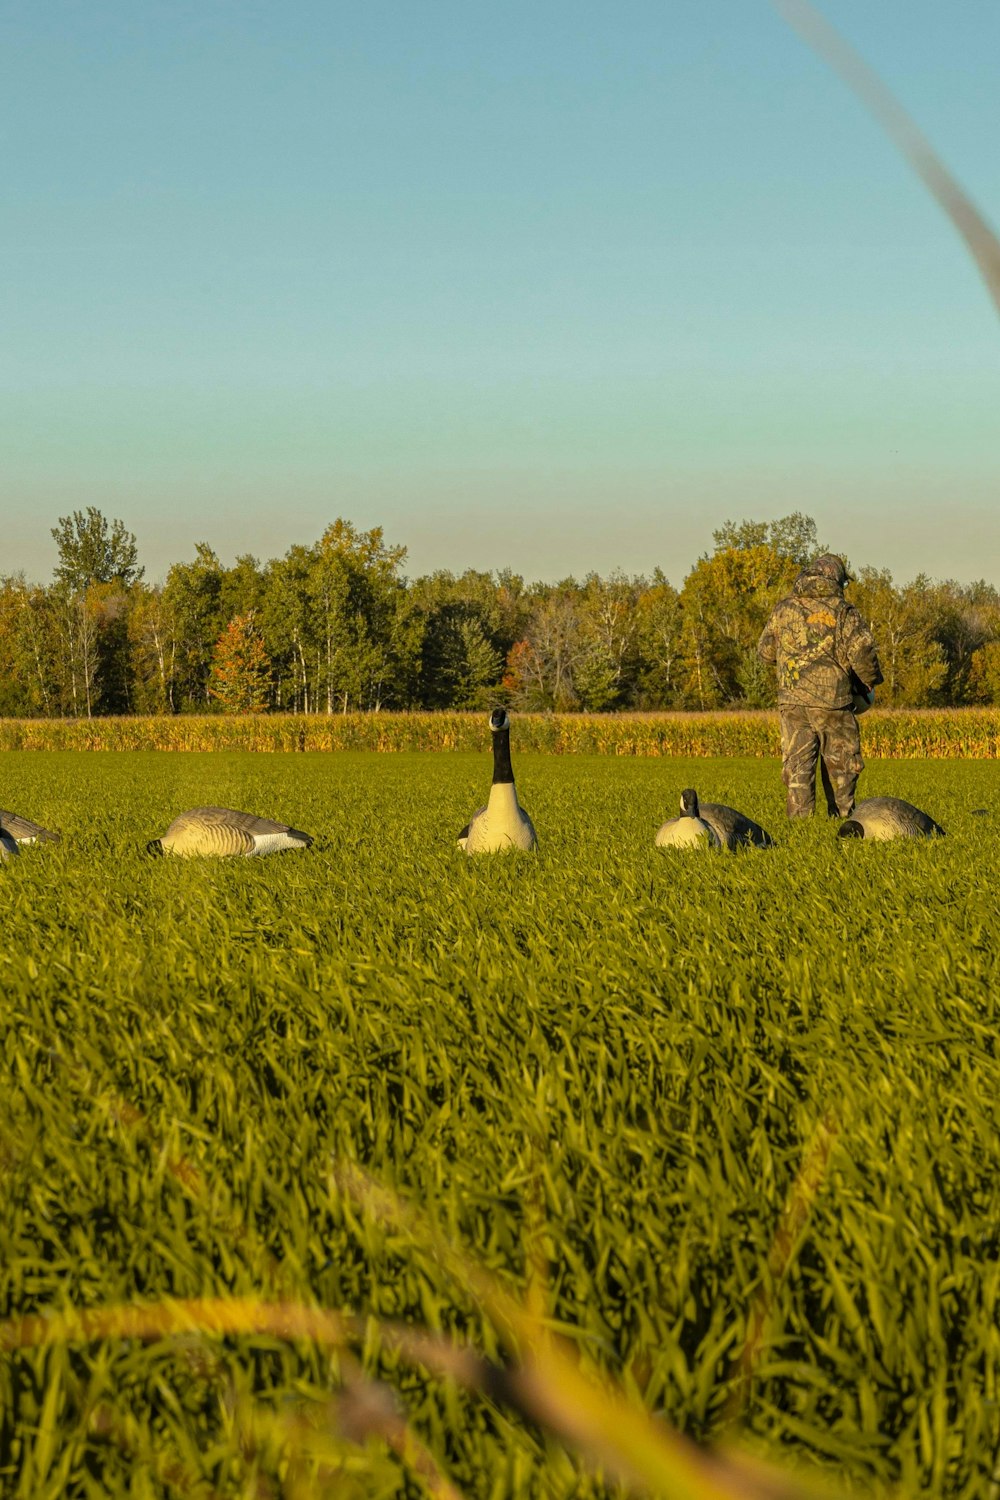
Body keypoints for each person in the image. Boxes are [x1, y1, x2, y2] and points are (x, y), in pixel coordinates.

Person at [757, 554, 883, 819]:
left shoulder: (783, 609)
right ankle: (843, 827)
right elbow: (863, 656)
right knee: (842, 771)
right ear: (836, 579)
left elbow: (766, 653)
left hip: (792, 705)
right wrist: (869, 683)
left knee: (797, 773)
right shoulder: (843, 611)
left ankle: (800, 832)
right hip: (833, 703)